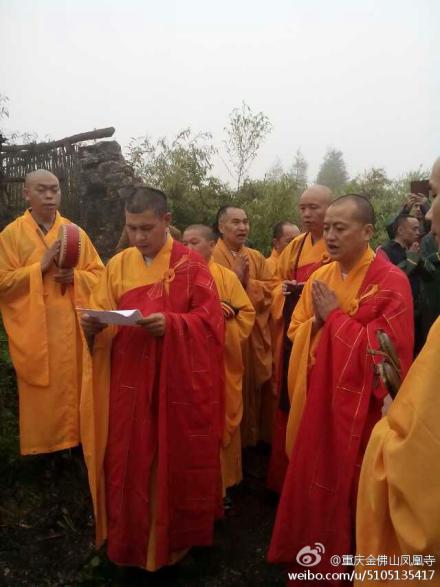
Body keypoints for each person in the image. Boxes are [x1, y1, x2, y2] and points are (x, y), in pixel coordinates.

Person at [268, 195, 414, 580]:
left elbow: (389, 357)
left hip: (363, 411)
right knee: (318, 481)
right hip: (319, 399)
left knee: (356, 489)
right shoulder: (321, 279)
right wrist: (319, 323)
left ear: (367, 232)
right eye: (327, 227)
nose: (329, 236)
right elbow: (296, 331)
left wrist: (334, 318)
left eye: (340, 228)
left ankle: (357, 561)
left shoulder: (391, 282)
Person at [80, 186, 225, 572]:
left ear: (166, 221)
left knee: (170, 460)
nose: (139, 237)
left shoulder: (191, 266)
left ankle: (172, 545)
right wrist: (91, 327)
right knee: (127, 460)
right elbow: (100, 313)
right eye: (132, 228)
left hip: (175, 386)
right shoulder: (117, 265)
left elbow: (212, 325)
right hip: (127, 383)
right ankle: (129, 542)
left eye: (147, 228)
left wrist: (173, 325)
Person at [355, 187, 440, 585]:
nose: (427, 218)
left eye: (433, 194)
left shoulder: (393, 274)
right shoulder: (389, 256)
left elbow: (416, 453)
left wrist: (392, 421)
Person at [0, 169, 103, 456]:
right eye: (42, 190)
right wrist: (39, 267)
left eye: (54, 190)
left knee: (75, 391)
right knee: (43, 397)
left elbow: (100, 275)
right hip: (36, 332)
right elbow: (3, 283)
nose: (49, 196)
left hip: (71, 331)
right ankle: (46, 455)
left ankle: (76, 450)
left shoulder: (75, 233)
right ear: (27, 194)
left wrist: (76, 277)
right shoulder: (11, 236)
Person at [267, 185, 332, 493]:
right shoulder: (295, 246)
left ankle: (313, 479)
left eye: (314, 208)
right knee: (289, 396)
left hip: (323, 330)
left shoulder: (338, 244)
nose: (306, 214)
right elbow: (274, 282)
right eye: (303, 208)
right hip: (294, 329)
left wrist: (310, 289)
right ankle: (284, 479)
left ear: (330, 208)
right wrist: (283, 290)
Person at [182, 224, 255, 495]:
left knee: (222, 419)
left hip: (222, 365)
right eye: (184, 242)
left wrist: (225, 320)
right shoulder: (176, 275)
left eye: (194, 242)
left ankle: (225, 483)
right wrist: (209, 315)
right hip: (188, 365)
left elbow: (246, 314)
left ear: (212, 245)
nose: (187, 248)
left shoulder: (226, 277)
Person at [212, 205, 275, 447]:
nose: (243, 227)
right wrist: (235, 278)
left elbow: (272, 289)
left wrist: (249, 283)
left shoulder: (256, 257)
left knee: (254, 388)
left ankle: (252, 441)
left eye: (245, 222)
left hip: (254, 334)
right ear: (221, 227)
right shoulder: (212, 255)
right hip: (228, 337)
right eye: (236, 222)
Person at [380, 214, 427, 353]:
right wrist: (411, 260)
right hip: (398, 313)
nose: (418, 232)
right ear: (400, 230)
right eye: (414, 229)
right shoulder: (384, 251)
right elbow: (387, 280)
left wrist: (420, 259)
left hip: (419, 312)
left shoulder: (414, 248)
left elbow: (429, 274)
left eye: (419, 229)